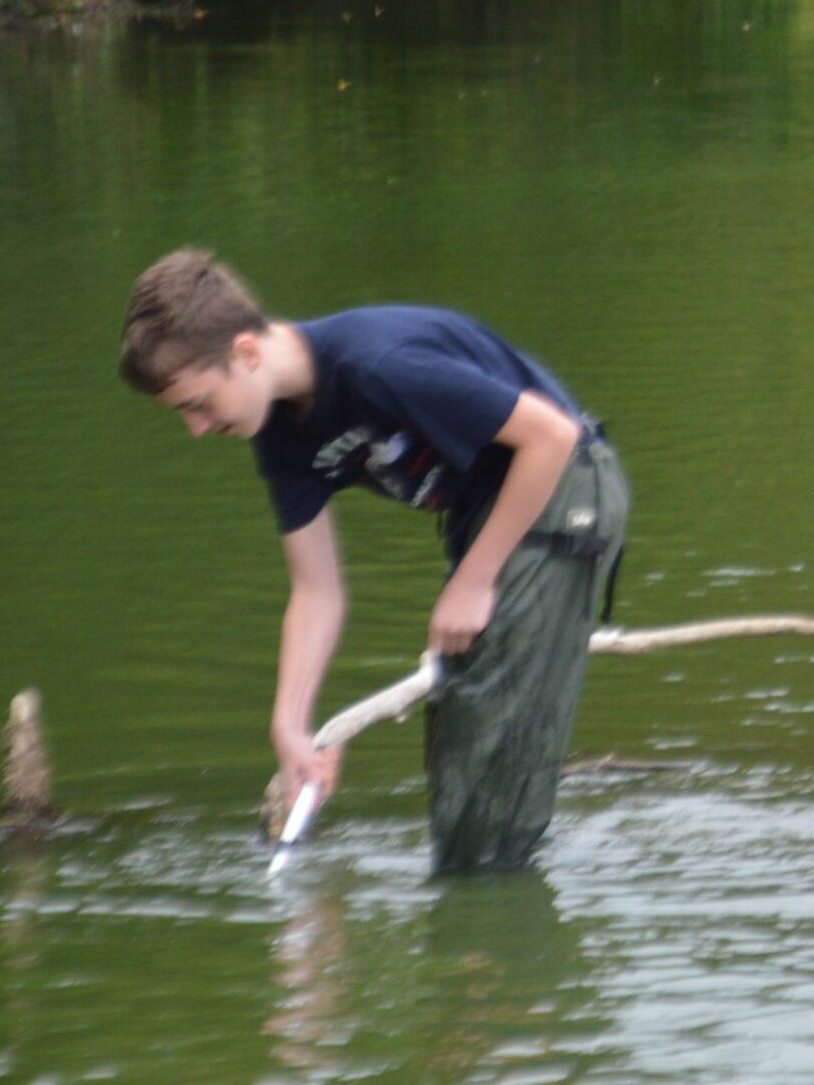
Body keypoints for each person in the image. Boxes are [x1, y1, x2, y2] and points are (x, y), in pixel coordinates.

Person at [120, 250, 628, 872]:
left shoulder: (377, 364)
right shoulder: (279, 435)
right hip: (493, 518)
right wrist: (290, 728)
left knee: (490, 736)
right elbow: (316, 590)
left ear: (246, 353)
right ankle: (484, 905)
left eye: (198, 404)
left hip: (562, 490)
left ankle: (498, 928)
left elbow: (552, 436)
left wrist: (473, 581)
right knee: (463, 742)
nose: (196, 429)